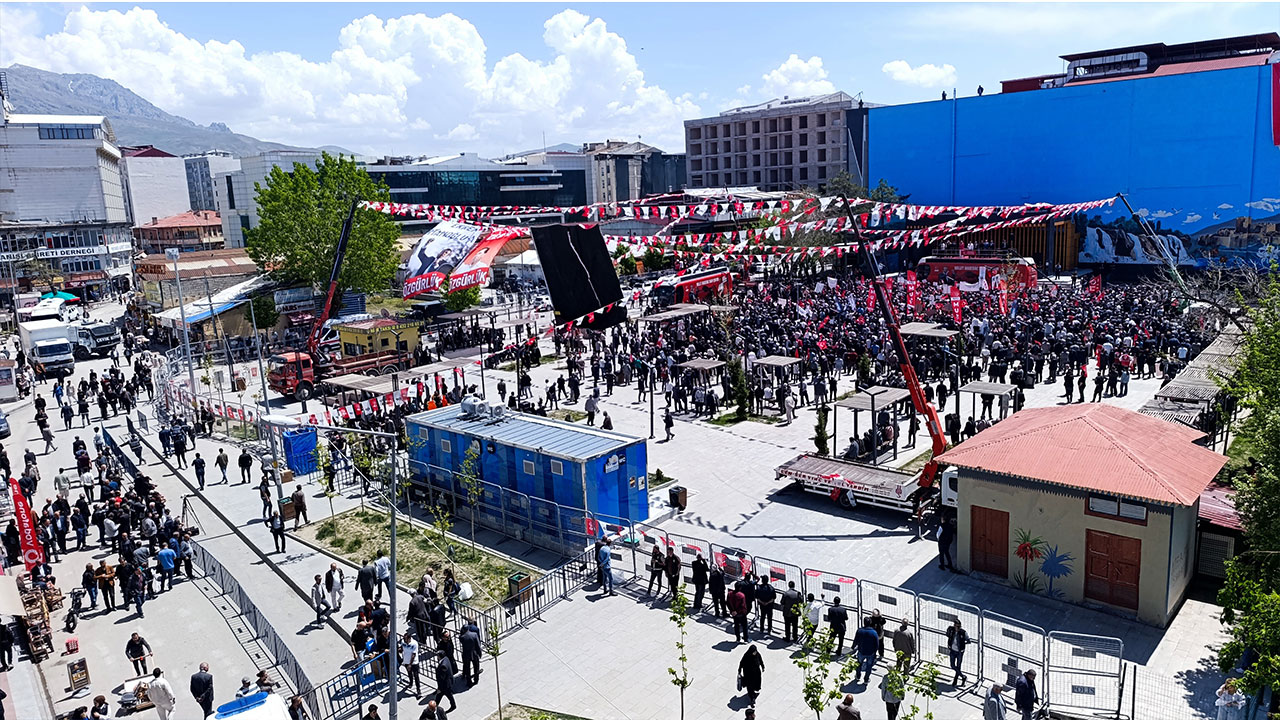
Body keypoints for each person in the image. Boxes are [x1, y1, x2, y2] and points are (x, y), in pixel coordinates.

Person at [853, 617, 879, 683]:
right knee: (869, 666)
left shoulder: (860, 631)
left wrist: (853, 646)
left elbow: (856, 640)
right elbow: (877, 644)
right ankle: (866, 679)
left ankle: (858, 676)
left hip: (861, 651)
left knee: (859, 664)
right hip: (870, 653)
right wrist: (875, 652)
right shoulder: (874, 632)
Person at [946, 618, 970, 685]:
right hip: (952, 650)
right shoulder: (952, 630)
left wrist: (962, 644)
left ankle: (955, 679)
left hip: (959, 652)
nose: (958, 628)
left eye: (959, 626)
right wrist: (949, 630)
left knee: (958, 666)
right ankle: (963, 676)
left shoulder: (963, 632)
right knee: (953, 665)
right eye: (956, 626)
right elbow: (947, 635)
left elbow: (968, 640)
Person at [459, 620, 482, 687]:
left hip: (466, 654)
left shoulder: (462, 637)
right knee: (476, 667)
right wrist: (479, 653)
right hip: (474, 653)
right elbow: (477, 645)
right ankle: (476, 679)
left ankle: (469, 682)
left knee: (467, 668)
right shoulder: (474, 635)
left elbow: (460, 638)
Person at [401, 631, 421, 697]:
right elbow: (402, 649)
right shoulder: (403, 642)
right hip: (406, 661)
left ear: (409, 639)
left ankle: (418, 690)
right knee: (409, 673)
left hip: (414, 662)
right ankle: (411, 683)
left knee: (416, 676)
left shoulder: (414, 644)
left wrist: (410, 664)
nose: (404, 641)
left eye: (405, 639)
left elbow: (413, 654)